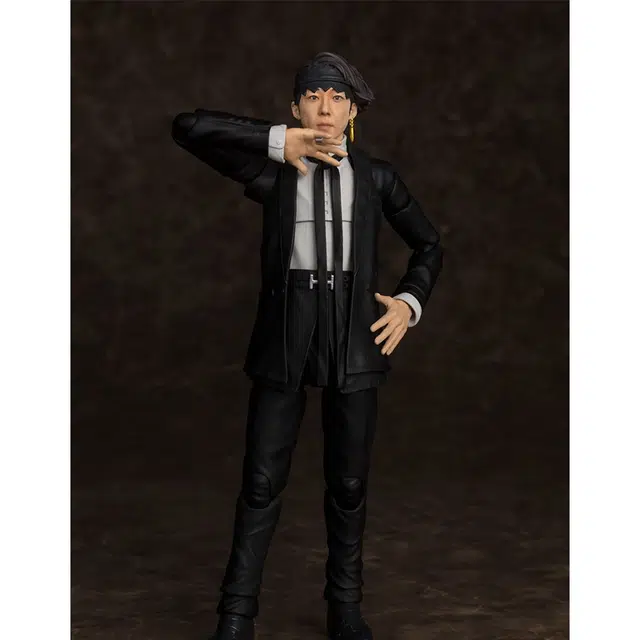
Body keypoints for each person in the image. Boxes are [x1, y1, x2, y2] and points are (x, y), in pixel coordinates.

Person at [171, 51, 443, 640]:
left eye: (338, 97)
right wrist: (276, 142)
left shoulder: (376, 178)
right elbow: (188, 128)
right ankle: (236, 615)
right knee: (261, 481)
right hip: (284, 333)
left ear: (353, 112)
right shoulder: (274, 173)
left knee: (349, 485)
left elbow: (428, 244)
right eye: (314, 96)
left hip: (354, 336)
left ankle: (345, 609)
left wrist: (408, 302)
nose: (325, 108)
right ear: (296, 107)